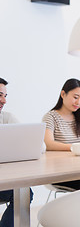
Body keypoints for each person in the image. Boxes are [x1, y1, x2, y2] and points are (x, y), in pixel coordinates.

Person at [0, 77, 33, 227]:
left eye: (5, 96)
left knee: (24, 193)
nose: (4, 101)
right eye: (0, 95)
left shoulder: (6, 119)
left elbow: (38, 145)